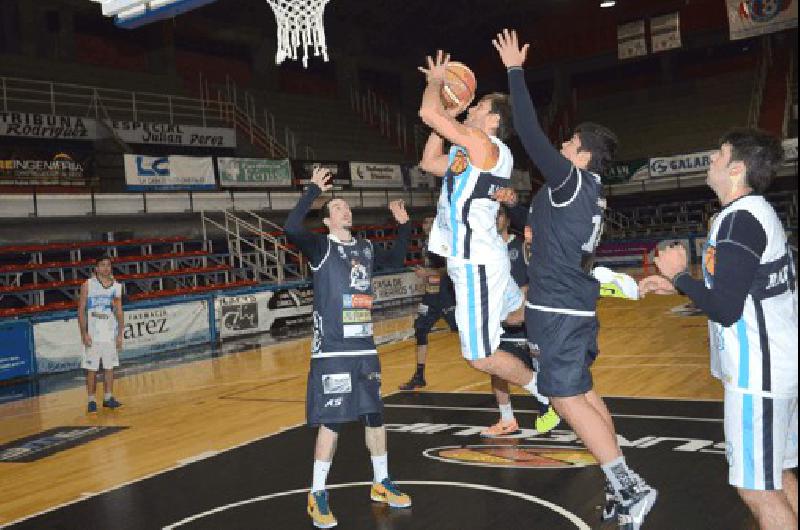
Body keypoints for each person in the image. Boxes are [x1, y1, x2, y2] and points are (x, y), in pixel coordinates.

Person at [492, 29, 656, 530]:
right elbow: (556, 235)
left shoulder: (570, 179)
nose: (561, 146)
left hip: (559, 310)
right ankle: (620, 486)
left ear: (582, 155)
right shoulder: (590, 191)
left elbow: (527, 127)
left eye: (569, 143)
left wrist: (515, 71)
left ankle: (628, 482)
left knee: (564, 398)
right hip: (573, 306)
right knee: (581, 394)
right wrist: (519, 208)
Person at [640, 129, 797, 530]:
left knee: (757, 489)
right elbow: (740, 288)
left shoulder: (738, 221)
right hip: (777, 365)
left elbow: (726, 309)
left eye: (720, 153)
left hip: (757, 375)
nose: (711, 156)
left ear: (737, 169)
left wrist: (679, 275)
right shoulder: (754, 213)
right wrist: (680, 284)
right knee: (775, 475)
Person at [417, 51, 549, 432]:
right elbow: (429, 162)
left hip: (474, 261)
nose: (471, 107)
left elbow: (428, 114)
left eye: (478, 106)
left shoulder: (482, 144)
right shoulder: (474, 151)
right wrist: (449, 114)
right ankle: (567, 301)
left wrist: (437, 84)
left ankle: (546, 392)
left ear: (493, 120)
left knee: (478, 356)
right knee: (512, 315)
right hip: (482, 256)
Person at [284, 167, 413, 529]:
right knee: (334, 420)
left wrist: (403, 228)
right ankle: (317, 493)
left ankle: (381, 482)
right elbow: (292, 228)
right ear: (326, 221)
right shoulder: (320, 247)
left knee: (375, 414)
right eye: (338, 207)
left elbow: (397, 260)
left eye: (346, 206)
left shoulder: (366, 248)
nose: (345, 211)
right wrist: (312, 191)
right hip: (333, 352)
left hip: (364, 349)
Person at [483, 206, 555, 436]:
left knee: (540, 368)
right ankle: (507, 419)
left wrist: (522, 301)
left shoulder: (521, 246)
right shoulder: (486, 250)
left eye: (499, 215)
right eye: (492, 216)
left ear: (507, 218)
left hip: (526, 317)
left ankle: (550, 408)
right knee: (496, 367)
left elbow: (537, 279)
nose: (495, 219)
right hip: (501, 320)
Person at [399, 216, 458, 391]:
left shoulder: (442, 243)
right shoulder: (425, 244)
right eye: (425, 222)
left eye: (431, 223)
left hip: (446, 295)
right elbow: (431, 272)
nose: (427, 225)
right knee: (420, 329)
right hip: (430, 295)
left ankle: (495, 365)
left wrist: (428, 272)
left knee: (461, 331)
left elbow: (450, 268)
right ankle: (419, 376)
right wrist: (424, 273)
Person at [77, 255, 124, 413]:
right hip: (94, 335)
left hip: (109, 334)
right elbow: (81, 310)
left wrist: (120, 334)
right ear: (96, 268)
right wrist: (84, 333)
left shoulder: (116, 287)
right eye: (102, 265)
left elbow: (119, 311)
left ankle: (108, 397)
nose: (106, 268)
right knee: (92, 369)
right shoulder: (87, 285)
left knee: (110, 367)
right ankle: (91, 400)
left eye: (108, 265)